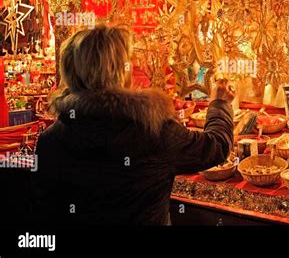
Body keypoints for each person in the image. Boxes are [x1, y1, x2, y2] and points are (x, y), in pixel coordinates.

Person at [32, 26, 235, 226]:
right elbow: (215, 147)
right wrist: (219, 103)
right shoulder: (152, 130)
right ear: (119, 70)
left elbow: (45, 209)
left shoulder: (51, 139)